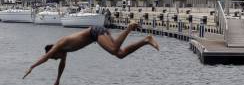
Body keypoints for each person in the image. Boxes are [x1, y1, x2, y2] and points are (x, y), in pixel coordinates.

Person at [22, 23, 159, 85]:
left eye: (54, 58)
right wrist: (58, 80)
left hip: (95, 32)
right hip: (96, 35)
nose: (56, 59)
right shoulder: (63, 52)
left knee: (113, 50)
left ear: (53, 52)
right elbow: (62, 65)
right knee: (120, 54)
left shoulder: (59, 45)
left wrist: (32, 67)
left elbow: (45, 57)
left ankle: (130, 27)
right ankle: (146, 40)